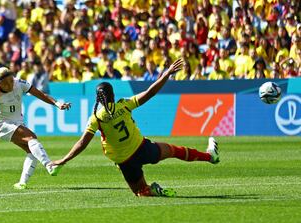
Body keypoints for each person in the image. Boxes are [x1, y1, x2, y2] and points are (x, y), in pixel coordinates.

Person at [52, 59, 220, 197]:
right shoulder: (124, 105)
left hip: (125, 161)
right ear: (113, 95)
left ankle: (153, 190)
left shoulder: (96, 118)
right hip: (142, 148)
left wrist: (63, 160)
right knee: (174, 150)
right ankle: (209, 156)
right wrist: (167, 74)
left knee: (141, 192)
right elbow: (150, 92)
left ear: (98, 99)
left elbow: (82, 143)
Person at [0, 67, 71, 189]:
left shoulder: (19, 83)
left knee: (32, 150)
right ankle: (50, 166)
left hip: (17, 121)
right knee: (32, 137)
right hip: (2, 124)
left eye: (11, 80)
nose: (10, 85)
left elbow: (41, 94)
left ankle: (22, 183)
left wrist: (57, 104)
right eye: (5, 83)